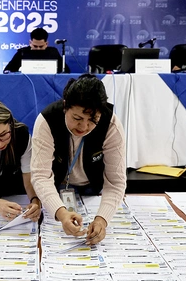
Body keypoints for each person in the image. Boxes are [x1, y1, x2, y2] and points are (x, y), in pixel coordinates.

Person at [31, 74, 126, 245]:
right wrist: (61, 213)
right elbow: (40, 176)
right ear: (65, 106)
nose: (83, 127)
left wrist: (102, 220)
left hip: (93, 190)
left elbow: (115, 182)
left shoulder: (110, 124)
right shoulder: (47, 120)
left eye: (92, 120)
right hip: (56, 188)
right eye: (77, 118)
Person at [3, 27, 70, 73]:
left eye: (41, 46)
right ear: (30, 43)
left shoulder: (53, 52)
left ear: (46, 44)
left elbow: (66, 71)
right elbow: (7, 71)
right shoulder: (22, 52)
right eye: (35, 46)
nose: (38, 49)